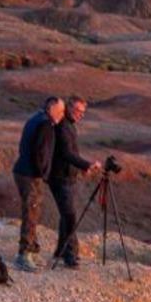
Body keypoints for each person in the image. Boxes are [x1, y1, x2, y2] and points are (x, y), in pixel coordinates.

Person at [12, 97, 64, 272]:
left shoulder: (35, 118)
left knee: (32, 210)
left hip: (23, 171)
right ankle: (24, 254)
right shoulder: (45, 125)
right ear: (50, 108)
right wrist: (45, 175)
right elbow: (41, 154)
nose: (62, 115)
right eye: (60, 111)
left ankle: (32, 249)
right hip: (30, 175)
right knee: (31, 212)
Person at [49, 97, 100, 268]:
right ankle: (70, 254)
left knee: (67, 214)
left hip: (67, 176)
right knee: (70, 215)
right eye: (78, 111)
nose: (80, 115)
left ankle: (61, 251)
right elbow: (66, 153)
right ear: (69, 107)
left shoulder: (69, 126)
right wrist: (87, 165)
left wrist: (81, 168)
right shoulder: (62, 126)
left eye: (83, 112)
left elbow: (72, 153)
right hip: (59, 177)